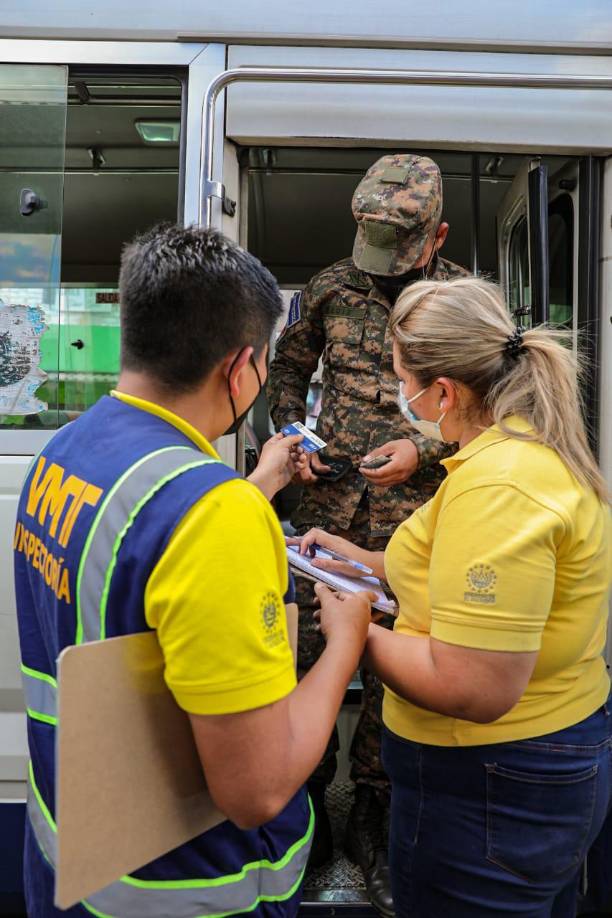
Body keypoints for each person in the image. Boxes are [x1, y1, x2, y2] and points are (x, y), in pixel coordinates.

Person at [13, 224, 375, 918]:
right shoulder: (213, 513)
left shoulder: (65, 452)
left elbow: (139, 558)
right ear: (242, 368)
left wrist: (258, 485)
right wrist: (347, 641)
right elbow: (258, 790)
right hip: (191, 892)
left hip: (74, 867)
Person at [294, 276, 612, 918]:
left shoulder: (499, 489)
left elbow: (474, 687)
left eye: (400, 376)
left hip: (491, 784)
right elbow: (445, 568)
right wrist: (362, 565)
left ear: (443, 391)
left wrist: (353, 631)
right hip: (506, 778)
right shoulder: (500, 452)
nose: (398, 392)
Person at [267, 153, 468, 914]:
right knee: (309, 660)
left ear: (436, 234)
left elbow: (494, 408)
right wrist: (292, 433)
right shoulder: (326, 287)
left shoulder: (462, 301)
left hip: (414, 522)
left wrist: (427, 448)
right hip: (326, 517)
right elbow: (288, 370)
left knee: (399, 674)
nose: (382, 264)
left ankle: (379, 822)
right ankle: (311, 820)